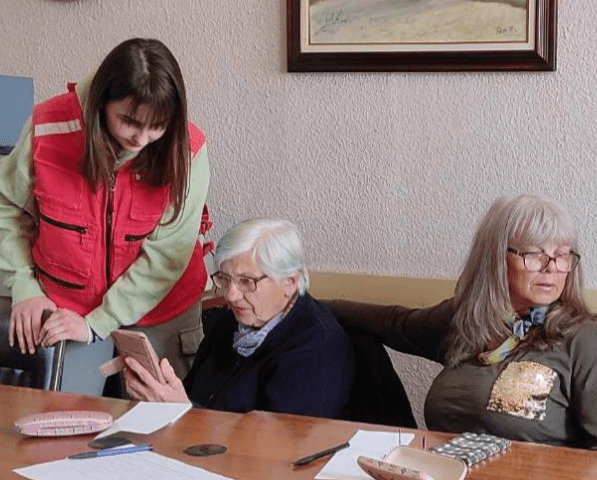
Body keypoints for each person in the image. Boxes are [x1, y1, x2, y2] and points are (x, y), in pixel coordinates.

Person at [328, 194, 597, 453]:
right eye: (534, 254)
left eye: (562, 255)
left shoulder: (581, 339)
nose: (551, 268)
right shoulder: (464, 320)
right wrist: (306, 303)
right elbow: (393, 322)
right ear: (496, 259)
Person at [0, 38, 211, 381]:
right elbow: (7, 209)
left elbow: (168, 255)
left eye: (157, 125)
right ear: (101, 103)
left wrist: (98, 322)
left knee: (162, 428)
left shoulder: (189, 149)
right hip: (66, 309)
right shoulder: (47, 127)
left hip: (162, 314)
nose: (142, 138)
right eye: (129, 121)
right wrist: (23, 287)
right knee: (63, 424)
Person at [124, 218, 354, 418]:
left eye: (246, 282)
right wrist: (162, 394)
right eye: (224, 279)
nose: (231, 295)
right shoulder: (230, 322)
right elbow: (196, 397)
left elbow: (277, 449)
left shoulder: (315, 350)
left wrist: (183, 413)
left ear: (289, 283)